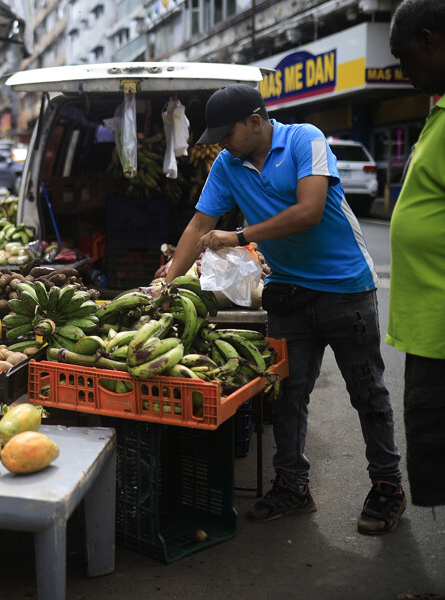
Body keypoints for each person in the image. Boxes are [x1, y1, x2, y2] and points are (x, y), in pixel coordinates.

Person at [162, 84, 404, 535]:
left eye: (226, 133)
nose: (220, 144)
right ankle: (293, 485)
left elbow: (309, 210)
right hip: (288, 291)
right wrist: (168, 281)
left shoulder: (304, 139)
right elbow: (199, 223)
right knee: (287, 395)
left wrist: (240, 236)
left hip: (345, 288)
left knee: (368, 392)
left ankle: (388, 486)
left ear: (255, 121)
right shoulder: (227, 164)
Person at [387, 0, 445, 513]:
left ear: (430, 40)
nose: (404, 75)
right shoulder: (439, 111)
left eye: (403, 59)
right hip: (431, 334)